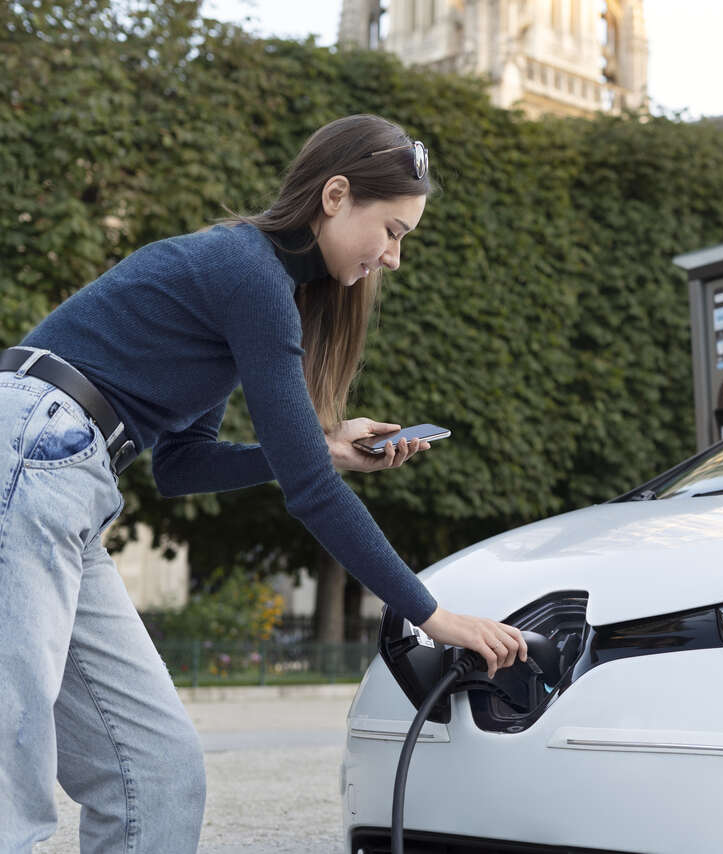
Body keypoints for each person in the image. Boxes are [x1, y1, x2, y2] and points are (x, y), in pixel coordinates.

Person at [0, 114, 528, 853]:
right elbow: (308, 493)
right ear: (337, 195)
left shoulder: (248, 283)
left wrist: (325, 448)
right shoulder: (246, 272)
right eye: (395, 231)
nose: (396, 257)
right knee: (9, 777)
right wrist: (431, 615)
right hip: (27, 453)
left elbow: (183, 465)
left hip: (67, 480)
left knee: (156, 770)